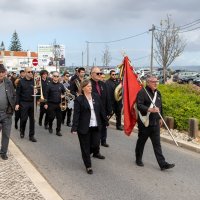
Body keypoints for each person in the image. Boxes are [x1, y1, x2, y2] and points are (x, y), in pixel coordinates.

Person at [135, 75, 175, 170]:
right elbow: (139, 105)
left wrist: (161, 118)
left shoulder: (158, 93)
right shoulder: (142, 92)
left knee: (157, 144)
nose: (156, 83)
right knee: (141, 142)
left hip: (155, 123)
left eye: (157, 81)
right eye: (153, 82)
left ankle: (163, 164)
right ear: (148, 83)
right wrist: (149, 109)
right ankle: (138, 158)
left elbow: (160, 107)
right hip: (145, 123)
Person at [71, 79, 108, 174]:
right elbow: (76, 114)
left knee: (95, 144)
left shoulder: (96, 96)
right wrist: (74, 128)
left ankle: (89, 154)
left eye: (91, 86)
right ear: (83, 88)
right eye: (88, 86)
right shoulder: (79, 100)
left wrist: (105, 121)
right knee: (85, 147)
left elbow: (101, 110)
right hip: (83, 127)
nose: (90, 88)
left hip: (95, 125)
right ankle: (88, 166)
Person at [90, 67, 112, 147]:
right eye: (98, 73)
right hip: (93, 111)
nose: (100, 75)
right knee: (95, 129)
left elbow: (107, 98)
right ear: (92, 74)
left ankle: (103, 140)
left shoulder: (103, 84)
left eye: (100, 73)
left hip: (103, 111)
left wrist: (109, 110)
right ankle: (95, 146)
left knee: (104, 126)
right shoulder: (89, 84)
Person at [15, 67, 37, 142]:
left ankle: (31, 136)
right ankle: (22, 131)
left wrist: (36, 92)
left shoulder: (34, 81)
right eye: (29, 72)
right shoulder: (21, 81)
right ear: (25, 73)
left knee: (32, 120)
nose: (31, 73)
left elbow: (38, 92)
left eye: (31, 72)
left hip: (32, 102)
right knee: (23, 119)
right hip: (23, 103)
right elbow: (18, 94)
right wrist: (17, 104)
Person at [0, 64, 16, 160]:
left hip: (6, 113)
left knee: (6, 134)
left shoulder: (8, 82)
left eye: (2, 72)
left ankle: (3, 152)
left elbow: (13, 95)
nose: (1, 74)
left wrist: (13, 106)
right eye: (0, 72)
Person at [44, 71, 65, 136]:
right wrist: (45, 103)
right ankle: (50, 126)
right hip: (51, 104)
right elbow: (46, 95)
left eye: (57, 76)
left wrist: (63, 96)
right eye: (54, 76)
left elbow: (64, 93)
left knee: (59, 118)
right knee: (52, 117)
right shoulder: (49, 85)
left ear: (59, 77)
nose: (56, 77)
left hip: (59, 104)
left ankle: (58, 131)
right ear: (52, 77)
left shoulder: (61, 85)